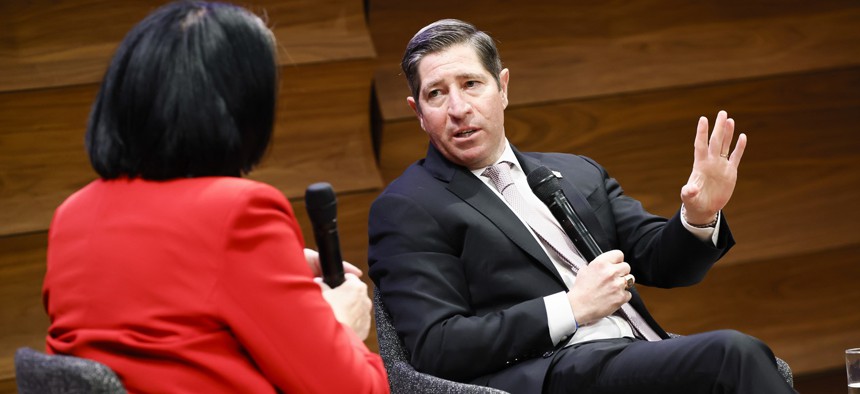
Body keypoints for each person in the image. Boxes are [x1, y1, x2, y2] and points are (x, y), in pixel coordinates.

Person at [368, 18, 794, 393]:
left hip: (633, 353)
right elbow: (436, 347)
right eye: (437, 94)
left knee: (743, 360)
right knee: (732, 355)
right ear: (418, 112)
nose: (458, 108)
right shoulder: (408, 206)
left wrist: (699, 216)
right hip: (548, 372)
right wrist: (570, 308)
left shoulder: (575, 173)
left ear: (503, 88)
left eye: (471, 84)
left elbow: (666, 266)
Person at [41, 2, 389, 393]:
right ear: (244, 107)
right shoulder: (239, 212)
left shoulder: (71, 215)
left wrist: (277, 268)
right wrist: (342, 324)